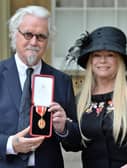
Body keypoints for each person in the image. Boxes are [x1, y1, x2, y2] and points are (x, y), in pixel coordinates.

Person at [64, 26, 127, 168]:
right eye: (97, 55)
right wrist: (62, 127)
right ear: (90, 61)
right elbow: (74, 145)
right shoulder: (80, 100)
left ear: (120, 60)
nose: (103, 60)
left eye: (110, 55)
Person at [0, 5, 78, 168]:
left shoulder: (61, 80)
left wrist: (64, 127)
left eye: (41, 36)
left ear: (48, 40)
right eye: (28, 34)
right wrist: (9, 144)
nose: (34, 42)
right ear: (15, 34)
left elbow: (75, 144)